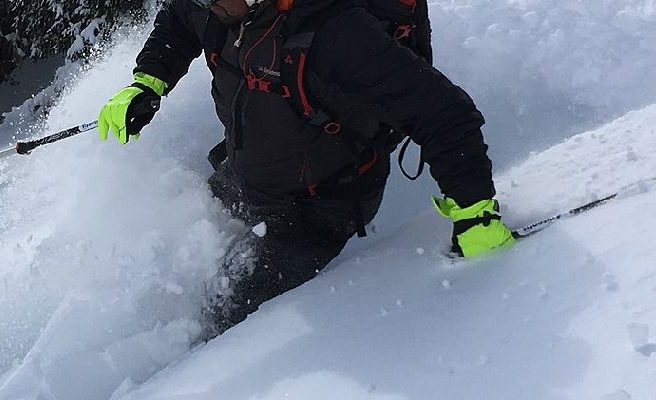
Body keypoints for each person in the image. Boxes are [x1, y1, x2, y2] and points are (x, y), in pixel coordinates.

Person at [97, 0, 512, 333]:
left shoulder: (335, 34)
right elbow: (179, 20)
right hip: (248, 173)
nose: (204, 5)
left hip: (314, 211)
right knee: (189, 234)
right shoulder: (221, 7)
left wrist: (476, 213)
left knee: (218, 315)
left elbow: (444, 112)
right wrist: (147, 82)